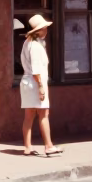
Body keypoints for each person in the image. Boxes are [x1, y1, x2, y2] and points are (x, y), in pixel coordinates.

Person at [19, 14, 62, 157]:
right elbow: (37, 69)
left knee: (29, 116)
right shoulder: (36, 46)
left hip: (27, 82)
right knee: (43, 114)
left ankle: (27, 147)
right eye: (44, 28)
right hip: (35, 82)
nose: (46, 30)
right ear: (38, 30)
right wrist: (41, 87)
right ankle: (48, 145)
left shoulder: (27, 43)